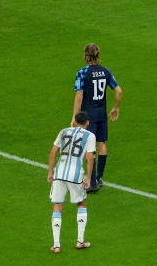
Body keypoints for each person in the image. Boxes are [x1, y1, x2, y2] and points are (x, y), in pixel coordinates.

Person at [72, 43, 122, 193]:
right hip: (101, 114)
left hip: (89, 116)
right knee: (101, 144)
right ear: (98, 55)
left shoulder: (82, 72)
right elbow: (118, 91)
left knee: (89, 148)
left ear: (86, 56)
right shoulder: (106, 72)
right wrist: (115, 108)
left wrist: (75, 117)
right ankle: (99, 177)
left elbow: (79, 95)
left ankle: (91, 183)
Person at [47, 112, 96, 254]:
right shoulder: (90, 136)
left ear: (74, 121)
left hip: (59, 173)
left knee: (57, 205)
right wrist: (88, 178)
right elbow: (90, 158)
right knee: (81, 204)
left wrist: (50, 172)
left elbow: (53, 152)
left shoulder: (63, 131)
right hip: (75, 175)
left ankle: (56, 245)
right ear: (87, 123)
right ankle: (80, 241)